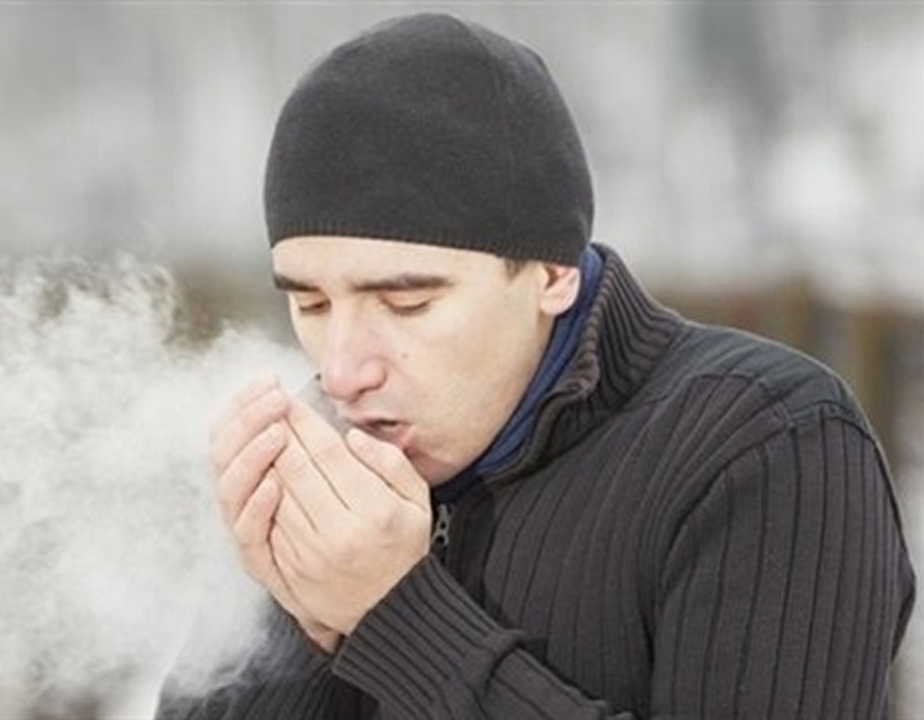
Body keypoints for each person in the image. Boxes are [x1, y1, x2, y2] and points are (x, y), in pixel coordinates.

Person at [158, 12, 915, 719]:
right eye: (313, 305)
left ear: (554, 273)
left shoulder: (767, 448)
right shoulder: (325, 471)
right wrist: (300, 620)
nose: (344, 370)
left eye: (407, 302)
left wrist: (397, 615)